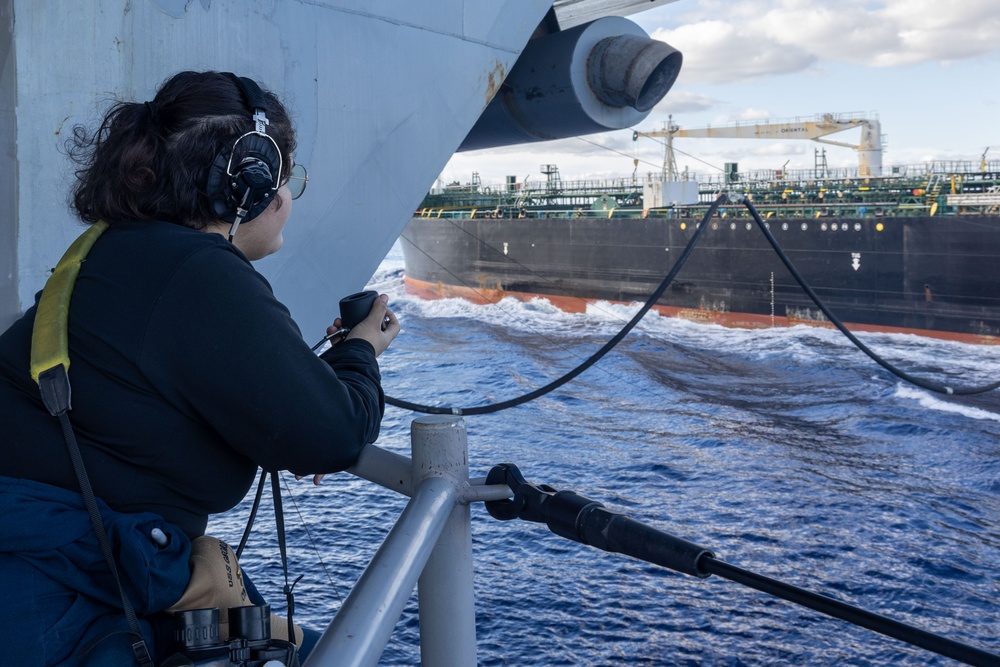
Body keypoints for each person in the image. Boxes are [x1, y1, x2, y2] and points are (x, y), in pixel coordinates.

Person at [0, 70, 398, 665]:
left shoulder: (113, 249)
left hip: (56, 561)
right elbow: (334, 435)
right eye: (289, 179)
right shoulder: (197, 274)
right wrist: (361, 351)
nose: (290, 200)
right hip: (58, 604)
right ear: (249, 185)